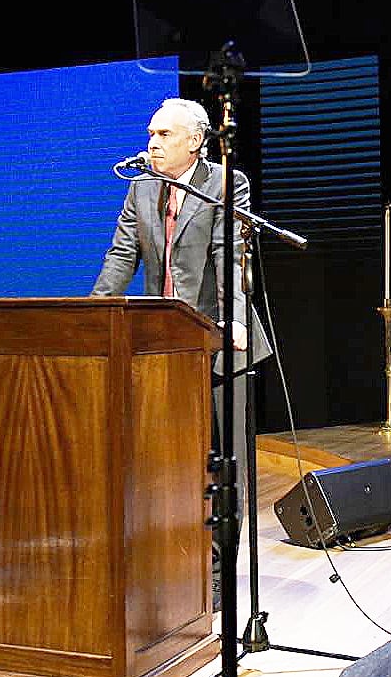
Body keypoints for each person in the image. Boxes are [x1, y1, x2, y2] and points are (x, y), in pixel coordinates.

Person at [91, 97, 271, 608]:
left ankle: (219, 574)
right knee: (170, 463)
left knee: (224, 464)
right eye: (150, 133)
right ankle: (172, 563)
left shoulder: (225, 183)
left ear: (195, 141)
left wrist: (232, 318)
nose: (151, 143)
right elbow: (122, 254)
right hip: (163, 349)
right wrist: (92, 317)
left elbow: (229, 256)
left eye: (163, 135)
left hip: (220, 343)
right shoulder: (141, 186)